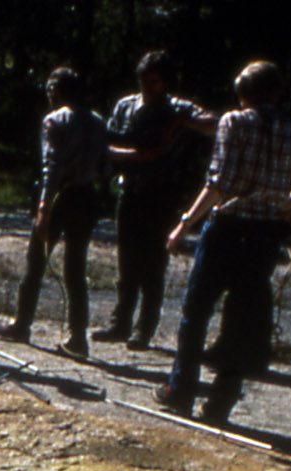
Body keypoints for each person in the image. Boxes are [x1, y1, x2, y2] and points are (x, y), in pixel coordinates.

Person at [156, 60, 291, 424]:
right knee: (242, 317)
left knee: (196, 311)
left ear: (244, 93)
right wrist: (284, 208)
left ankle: (179, 390)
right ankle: (221, 401)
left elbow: (220, 183)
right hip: (265, 233)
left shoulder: (233, 122)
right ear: (277, 92)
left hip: (227, 227)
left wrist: (184, 223)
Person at [96, 51, 215, 349]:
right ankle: (120, 322)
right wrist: (138, 156)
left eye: (154, 81)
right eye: (144, 80)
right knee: (127, 262)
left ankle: (144, 329)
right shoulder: (126, 105)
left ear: (165, 82)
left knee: (153, 265)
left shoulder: (177, 107)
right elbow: (106, 143)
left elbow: (214, 124)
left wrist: (180, 122)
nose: (148, 87)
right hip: (130, 189)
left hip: (163, 194)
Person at [0, 67, 106, 358]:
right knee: (76, 269)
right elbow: (105, 163)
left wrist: (43, 208)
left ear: (59, 89)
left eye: (51, 87)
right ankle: (78, 337)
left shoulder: (54, 120)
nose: (48, 92)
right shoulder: (97, 121)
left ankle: (22, 324)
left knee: (36, 262)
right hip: (86, 197)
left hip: (59, 198)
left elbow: (50, 166)